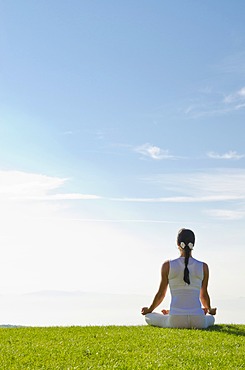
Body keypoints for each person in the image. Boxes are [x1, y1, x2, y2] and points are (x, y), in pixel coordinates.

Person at [141, 228, 216, 329]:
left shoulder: (167, 265)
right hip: (198, 321)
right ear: (193, 244)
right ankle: (175, 313)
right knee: (211, 318)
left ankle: (170, 313)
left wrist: (149, 310)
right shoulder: (203, 267)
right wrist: (209, 309)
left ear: (177, 243)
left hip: (175, 320)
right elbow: (204, 295)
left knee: (148, 317)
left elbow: (161, 294)